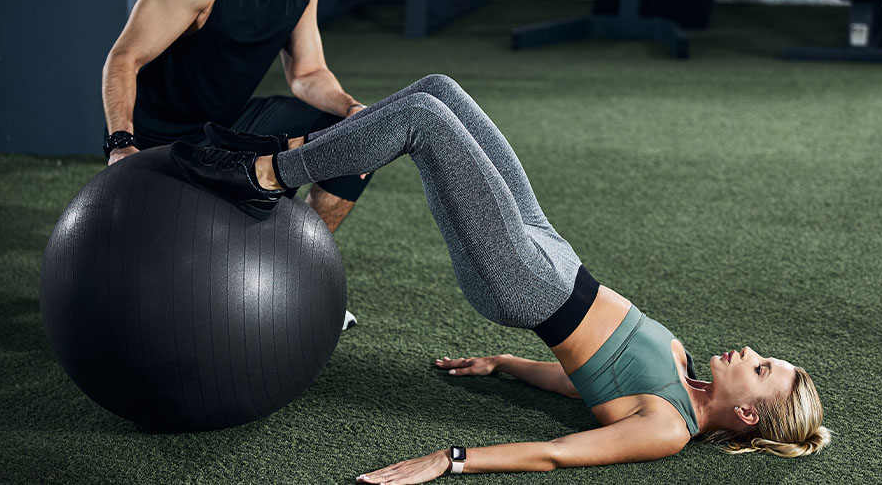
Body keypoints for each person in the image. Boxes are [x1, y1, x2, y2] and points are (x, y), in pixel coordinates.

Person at [171, 74, 830, 483]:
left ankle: (262, 175)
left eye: (764, 368)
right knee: (439, 89)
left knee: (423, 123)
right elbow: (583, 382)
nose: (753, 353)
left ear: (746, 412)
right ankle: (294, 153)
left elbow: (559, 453)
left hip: (524, 281)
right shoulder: (684, 372)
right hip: (549, 248)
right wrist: (507, 364)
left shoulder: (665, 428)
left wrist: (450, 460)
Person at [101, 0, 367, 329]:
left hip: (228, 125)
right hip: (164, 140)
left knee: (360, 138)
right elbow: (123, 59)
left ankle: (302, 274)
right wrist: (121, 144)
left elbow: (307, 72)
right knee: (160, 283)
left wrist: (351, 108)